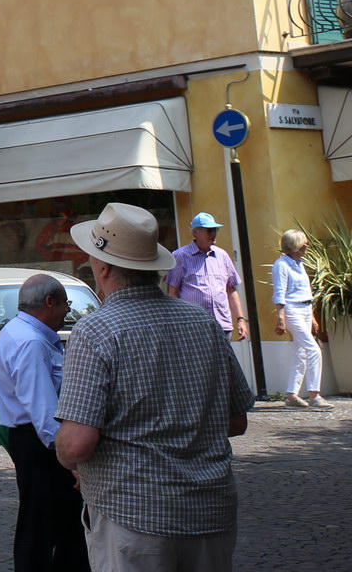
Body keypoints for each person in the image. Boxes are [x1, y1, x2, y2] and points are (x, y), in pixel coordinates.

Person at [55, 203, 255, 571]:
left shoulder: (95, 331)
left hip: (133, 513)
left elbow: (77, 443)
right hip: (210, 509)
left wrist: (66, 458)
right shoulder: (203, 323)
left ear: (102, 267)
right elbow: (236, 421)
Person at [0, 274, 87, 572]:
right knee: (43, 527)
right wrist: (71, 460)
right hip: (42, 444)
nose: (67, 312)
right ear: (49, 302)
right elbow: (44, 411)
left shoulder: (19, 331)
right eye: (65, 304)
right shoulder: (30, 342)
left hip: (35, 441)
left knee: (58, 524)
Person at [165, 212, 249, 343]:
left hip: (222, 325)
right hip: (194, 326)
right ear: (196, 232)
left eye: (215, 229)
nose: (213, 234)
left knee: (223, 363)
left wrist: (241, 319)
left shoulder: (222, 255)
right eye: (209, 230)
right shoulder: (180, 256)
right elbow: (172, 292)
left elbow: (231, 289)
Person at [273, 229, 331, 410]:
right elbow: (280, 292)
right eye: (304, 242)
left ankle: (292, 395)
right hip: (292, 310)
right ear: (296, 245)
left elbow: (305, 292)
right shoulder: (281, 265)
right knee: (313, 349)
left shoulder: (299, 264)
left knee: (300, 352)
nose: (307, 244)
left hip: (305, 308)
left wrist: (312, 316)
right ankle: (315, 394)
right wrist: (281, 317)